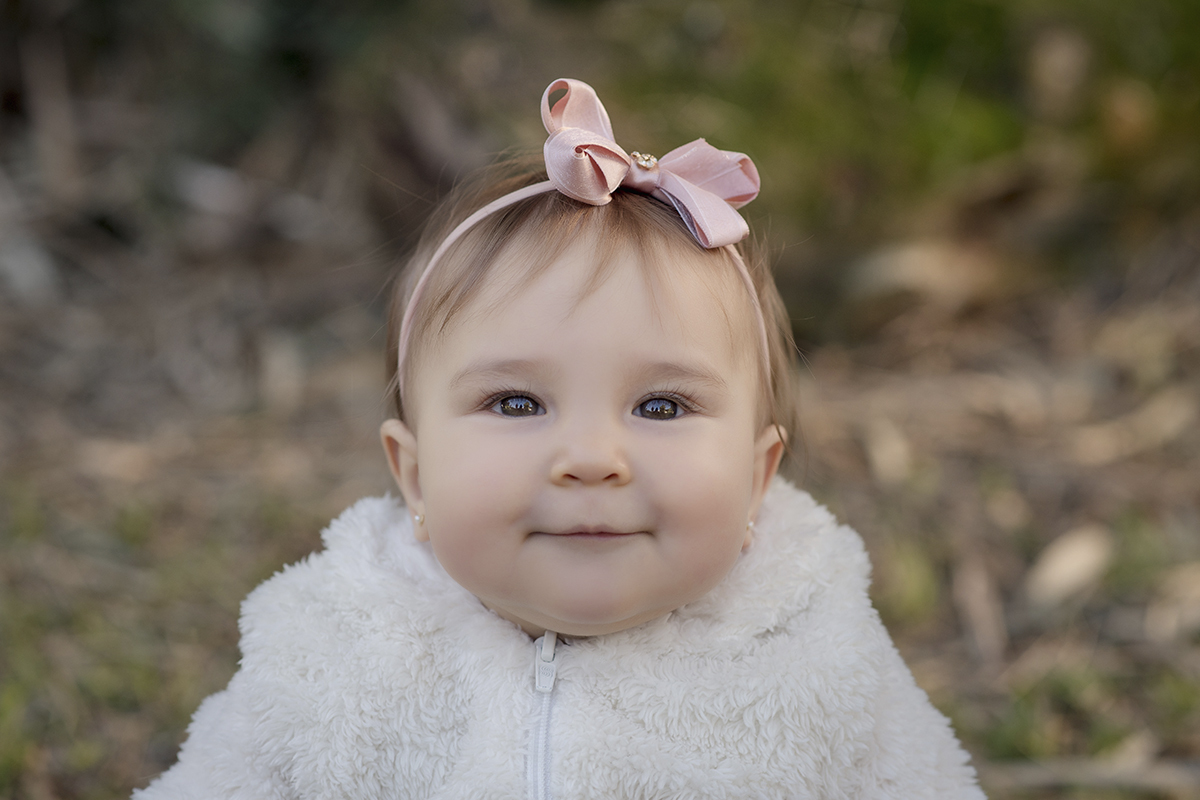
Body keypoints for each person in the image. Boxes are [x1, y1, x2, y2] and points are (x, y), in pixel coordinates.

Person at [134, 79, 985, 799]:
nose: (588, 458)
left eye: (660, 407)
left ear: (759, 477)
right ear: (415, 475)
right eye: (514, 403)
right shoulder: (335, 649)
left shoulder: (816, 656)